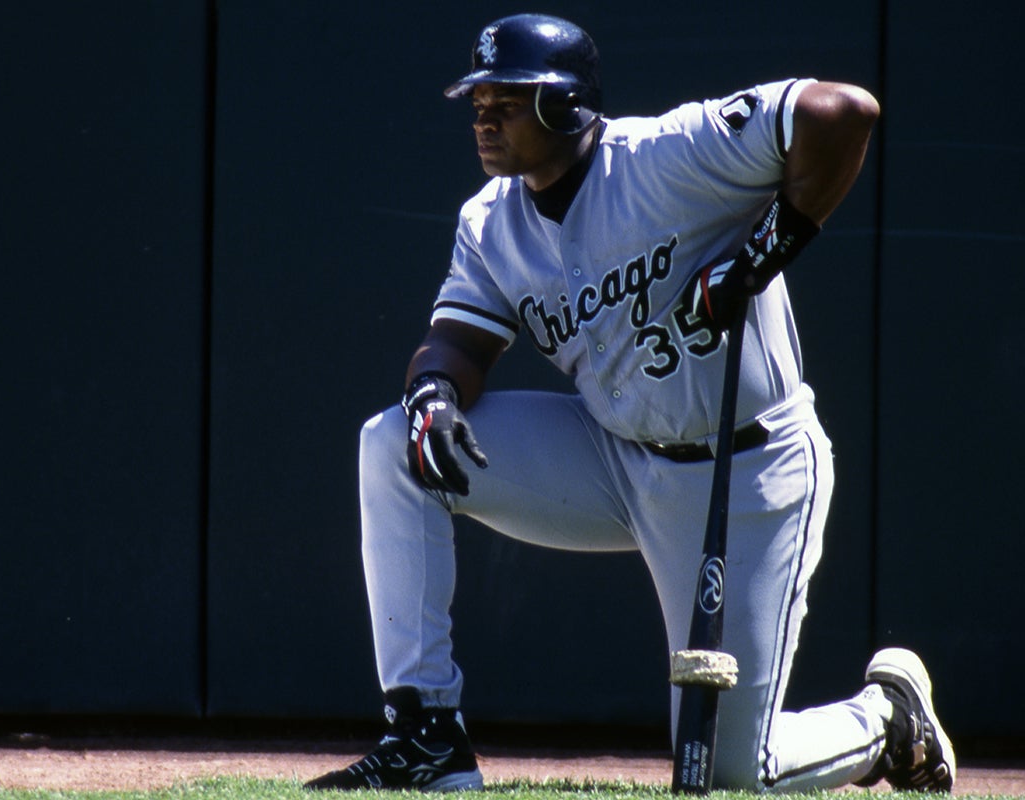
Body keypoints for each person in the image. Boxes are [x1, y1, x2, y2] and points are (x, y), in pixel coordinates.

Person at [305, 12, 954, 794]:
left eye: (505, 99)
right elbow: (457, 344)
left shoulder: (668, 155)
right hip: (612, 455)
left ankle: (882, 721)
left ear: (566, 104)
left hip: (748, 469)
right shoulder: (490, 219)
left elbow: (844, 112)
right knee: (393, 444)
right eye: (477, 100)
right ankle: (425, 738)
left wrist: (761, 254)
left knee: (725, 771)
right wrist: (434, 393)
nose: (482, 115)